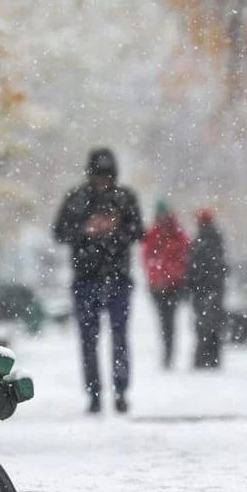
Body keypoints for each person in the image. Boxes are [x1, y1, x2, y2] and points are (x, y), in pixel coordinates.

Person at [52, 148, 144, 414]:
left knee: (119, 337)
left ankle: (120, 391)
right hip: (86, 280)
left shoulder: (125, 198)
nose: (102, 183)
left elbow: (138, 231)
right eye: (98, 177)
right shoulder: (76, 198)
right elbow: (59, 232)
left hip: (118, 279)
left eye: (107, 177)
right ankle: (94, 393)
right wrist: (85, 231)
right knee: (88, 340)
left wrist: (114, 231)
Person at [140, 200, 190, 369]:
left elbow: (184, 256)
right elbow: (147, 257)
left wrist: (168, 272)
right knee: (165, 320)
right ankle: (167, 352)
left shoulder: (176, 234)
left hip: (172, 284)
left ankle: (169, 353)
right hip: (158, 285)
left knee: (169, 320)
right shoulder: (155, 233)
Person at [188, 208, 227, 369]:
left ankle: (203, 356)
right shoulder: (217, 239)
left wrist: (191, 282)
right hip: (215, 287)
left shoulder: (200, 241)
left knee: (203, 322)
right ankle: (213, 357)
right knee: (214, 321)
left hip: (202, 288)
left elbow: (194, 266)